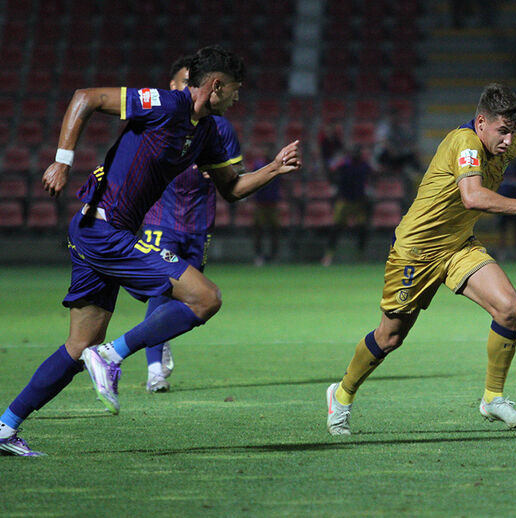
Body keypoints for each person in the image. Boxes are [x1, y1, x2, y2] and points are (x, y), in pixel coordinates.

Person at [0, 45, 302, 456]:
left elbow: (231, 189)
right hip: (106, 232)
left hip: (97, 232)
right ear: (216, 85)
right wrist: (62, 161)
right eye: (235, 90)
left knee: (78, 346)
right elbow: (85, 97)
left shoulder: (208, 132)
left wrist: (273, 168)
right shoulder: (164, 103)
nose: (238, 98)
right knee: (206, 298)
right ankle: (112, 355)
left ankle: (6, 426)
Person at [325, 83, 516, 435]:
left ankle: (493, 398)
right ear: (481, 121)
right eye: (502, 130)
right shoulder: (464, 143)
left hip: (458, 246)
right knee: (390, 337)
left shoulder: (508, 147)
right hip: (416, 250)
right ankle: (341, 395)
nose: (508, 140)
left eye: (513, 132)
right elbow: (471, 197)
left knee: (510, 309)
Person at [137, 55, 245, 393]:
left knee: (190, 296)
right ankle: (154, 368)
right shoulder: (161, 117)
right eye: (183, 83)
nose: (188, 89)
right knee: (161, 288)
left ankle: (161, 334)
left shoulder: (220, 128)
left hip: (199, 222)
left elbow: (233, 180)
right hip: (160, 219)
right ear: (172, 86)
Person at [321, 146, 372, 266]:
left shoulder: (364, 165)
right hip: (344, 201)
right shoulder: (344, 164)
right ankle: (329, 255)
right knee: (336, 228)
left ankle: (361, 254)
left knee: (362, 228)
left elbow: (373, 174)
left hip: (359, 201)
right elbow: (330, 170)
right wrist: (333, 186)